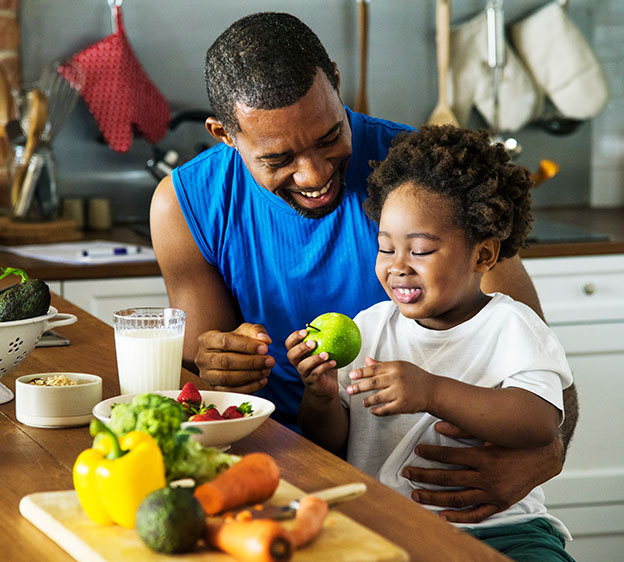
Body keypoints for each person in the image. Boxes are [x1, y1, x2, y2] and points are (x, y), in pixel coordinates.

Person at [150, 11, 579, 524]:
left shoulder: (422, 181)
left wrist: (543, 458)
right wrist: (216, 364)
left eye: (330, 136)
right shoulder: (185, 205)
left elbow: (542, 365)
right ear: (225, 134)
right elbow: (203, 389)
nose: (314, 174)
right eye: (278, 158)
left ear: (335, 79)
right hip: (266, 473)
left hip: (439, 497)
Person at [287, 125, 576, 561]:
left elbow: (539, 423)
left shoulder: (512, 326)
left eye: (419, 251)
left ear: (483, 255)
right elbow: (331, 442)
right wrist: (322, 397)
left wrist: (431, 391)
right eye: (386, 249)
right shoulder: (370, 328)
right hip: (388, 525)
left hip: (504, 529)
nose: (397, 267)